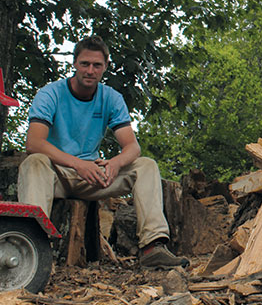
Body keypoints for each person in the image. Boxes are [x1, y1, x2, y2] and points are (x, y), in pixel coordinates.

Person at [17, 36, 189, 269]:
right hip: (56, 175)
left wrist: (115, 164)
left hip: (93, 177)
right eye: (85, 64)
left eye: (97, 65)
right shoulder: (50, 94)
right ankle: (32, 247)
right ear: (75, 64)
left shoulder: (111, 98)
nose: (90, 70)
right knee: (34, 162)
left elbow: (132, 146)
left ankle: (152, 247)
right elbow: (34, 142)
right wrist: (78, 164)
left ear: (105, 66)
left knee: (146, 165)